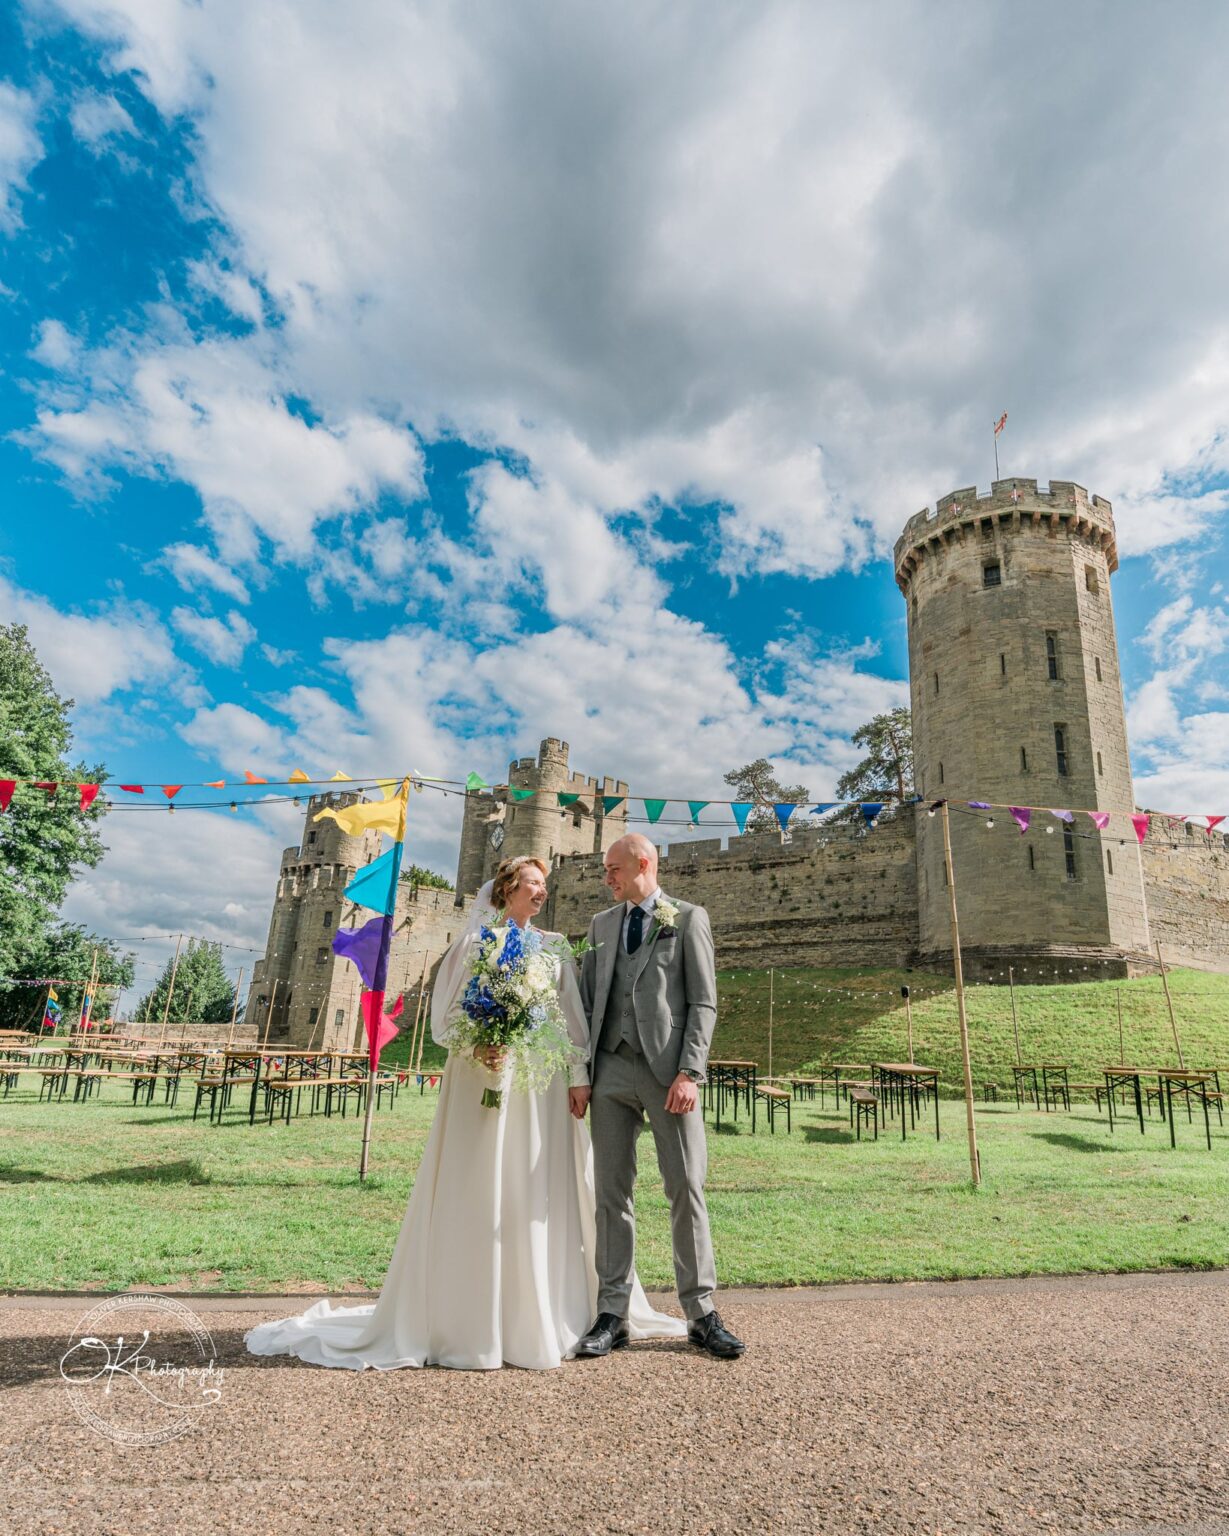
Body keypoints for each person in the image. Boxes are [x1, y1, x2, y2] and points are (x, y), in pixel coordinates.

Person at [243, 853, 684, 1371]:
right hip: (483, 1081)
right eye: (534, 884)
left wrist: (580, 1078)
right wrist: (479, 1045)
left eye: (545, 885)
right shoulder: (473, 946)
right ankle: (470, 1316)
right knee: (482, 1185)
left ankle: (542, 1308)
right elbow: (444, 1019)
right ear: (508, 889)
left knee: (535, 1188)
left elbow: (574, 1019)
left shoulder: (558, 948)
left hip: (539, 1089)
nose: (543, 893)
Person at [574, 833, 745, 1361]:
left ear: (643, 865)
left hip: (668, 1076)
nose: (606, 877)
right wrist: (580, 1073)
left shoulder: (688, 918)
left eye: (613, 869)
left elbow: (704, 1003)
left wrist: (690, 1072)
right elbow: (581, 1004)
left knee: (685, 1187)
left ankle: (701, 1313)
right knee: (611, 1194)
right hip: (608, 1073)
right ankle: (612, 1314)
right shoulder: (601, 926)